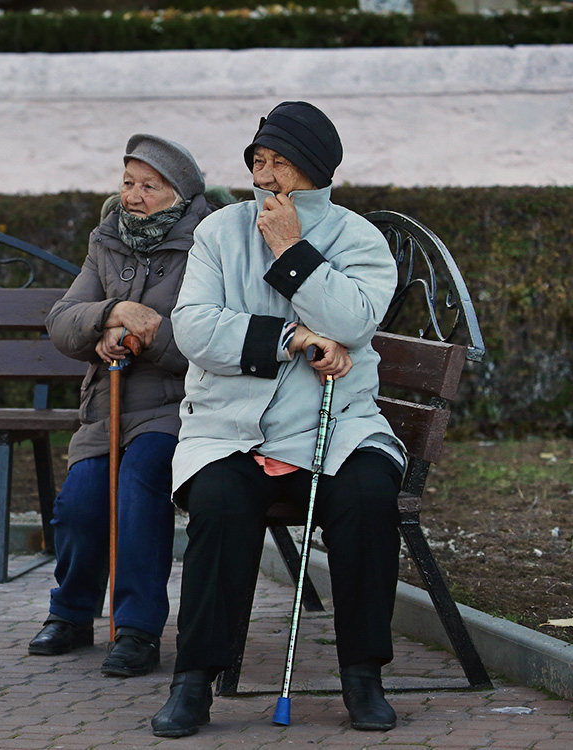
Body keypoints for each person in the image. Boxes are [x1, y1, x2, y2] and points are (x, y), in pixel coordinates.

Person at [150, 101, 405, 737]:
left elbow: (353, 322)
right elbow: (194, 329)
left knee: (370, 494)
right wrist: (290, 336)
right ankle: (194, 681)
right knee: (222, 503)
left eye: (281, 164)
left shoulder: (357, 239)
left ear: (315, 171)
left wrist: (291, 250)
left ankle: (363, 676)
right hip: (231, 430)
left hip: (335, 426)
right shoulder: (217, 232)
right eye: (258, 162)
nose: (264, 179)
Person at [28, 135, 216, 677]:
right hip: (105, 406)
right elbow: (63, 321)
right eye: (127, 182)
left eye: (148, 186)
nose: (133, 196)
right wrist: (110, 317)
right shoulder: (107, 239)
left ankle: (137, 629)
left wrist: (147, 336)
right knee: (81, 502)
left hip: (177, 408)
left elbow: (213, 336)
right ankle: (72, 613)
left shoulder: (207, 244)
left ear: (178, 194)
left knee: (138, 486)